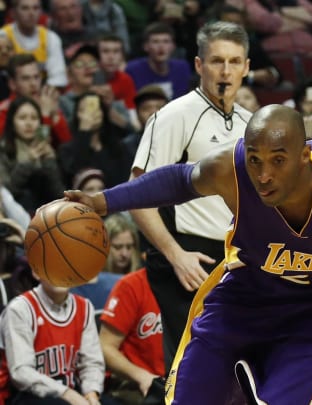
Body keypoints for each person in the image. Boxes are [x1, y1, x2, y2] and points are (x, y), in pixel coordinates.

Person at [64, 103, 312, 404]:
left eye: (278, 160)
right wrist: (103, 201)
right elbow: (179, 180)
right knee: (189, 395)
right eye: (255, 160)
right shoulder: (231, 169)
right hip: (247, 295)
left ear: (305, 155)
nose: (263, 174)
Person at [128, 21, 252, 374]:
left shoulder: (251, 123)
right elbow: (138, 195)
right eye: (216, 61)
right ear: (199, 66)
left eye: (233, 61)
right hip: (189, 255)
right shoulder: (174, 116)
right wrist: (174, 255)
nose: (225, 71)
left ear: (246, 67)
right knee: (196, 372)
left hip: (237, 257)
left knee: (240, 372)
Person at [0, 272, 119, 405]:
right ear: (36, 272)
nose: (60, 272)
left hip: (74, 390)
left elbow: (91, 363)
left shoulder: (84, 307)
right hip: (27, 395)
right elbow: (21, 373)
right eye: (53, 266)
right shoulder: (20, 309)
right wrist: (66, 393)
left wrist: (91, 393)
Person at [99, 266, 164, 405]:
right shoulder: (131, 285)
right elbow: (105, 347)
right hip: (132, 382)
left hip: (176, 381)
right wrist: (142, 377)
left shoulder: (196, 284)